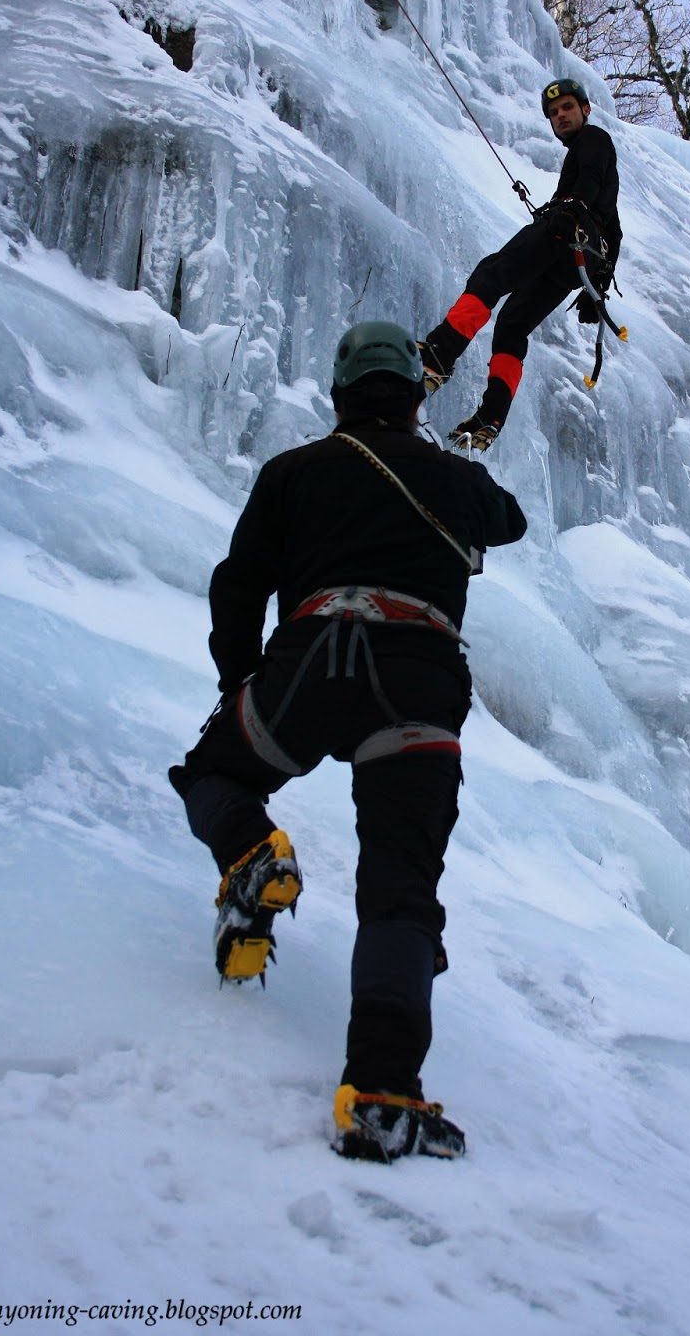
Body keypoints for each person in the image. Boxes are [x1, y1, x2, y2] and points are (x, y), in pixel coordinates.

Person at [168, 321, 527, 1162]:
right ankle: (382, 1096)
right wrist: (440, 463)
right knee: (400, 889)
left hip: (309, 662)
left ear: (338, 396)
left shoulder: (293, 472)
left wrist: (239, 682)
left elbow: (239, 582)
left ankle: (252, 851)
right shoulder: (452, 478)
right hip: (419, 680)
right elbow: (507, 521)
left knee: (212, 775)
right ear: (412, 393)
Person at [420, 77, 623, 450]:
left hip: (568, 232)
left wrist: (572, 209)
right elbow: (616, 230)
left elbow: (590, 179)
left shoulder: (594, 140)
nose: (560, 115)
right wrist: (599, 289)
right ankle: (492, 415)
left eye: (567, 108)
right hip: (583, 258)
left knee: (492, 273)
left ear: (586, 110)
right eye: (553, 112)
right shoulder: (592, 157)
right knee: (513, 325)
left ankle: (438, 353)